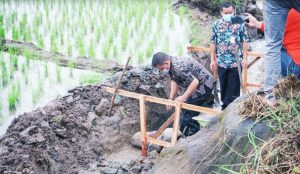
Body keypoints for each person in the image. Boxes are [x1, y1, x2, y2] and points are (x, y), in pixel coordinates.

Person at [152, 52, 214, 137]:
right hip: (197, 85)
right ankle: (189, 133)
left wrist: (183, 97)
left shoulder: (178, 67)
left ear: (166, 63)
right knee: (187, 109)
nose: (162, 70)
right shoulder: (170, 64)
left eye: (161, 68)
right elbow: (174, 80)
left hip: (205, 85)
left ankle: (190, 135)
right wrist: (171, 98)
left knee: (188, 112)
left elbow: (195, 82)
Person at [210, 2, 249, 110]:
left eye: (230, 12)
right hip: (221, 61)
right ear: (221, 13)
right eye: (226, 13)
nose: (228, 14)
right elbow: (213, 42)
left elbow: (244, 41)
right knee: (223, 85)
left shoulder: (239, 23)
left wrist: (245, 58)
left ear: (234, 11)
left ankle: (233, 108)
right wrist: (212, 60)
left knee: (234, 86)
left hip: (235, 61)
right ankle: (224, 107)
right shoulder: (216, 25)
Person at [261, 0, 300, 105]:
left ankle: (270, 96)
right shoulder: (294, 12)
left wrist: (256, 23)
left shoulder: (288, 14)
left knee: (273, 45)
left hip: (294, 65)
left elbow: (272, 31)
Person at [245, 9, 300, 79]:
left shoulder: (289, 13)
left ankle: (278, 79)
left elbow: (272, 29)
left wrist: (255, 23)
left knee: (273, 49)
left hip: (296, 67)